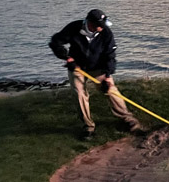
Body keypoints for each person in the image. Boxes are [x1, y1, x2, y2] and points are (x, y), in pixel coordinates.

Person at [49, 9, 142, 139]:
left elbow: (110, 55)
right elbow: (55, 41)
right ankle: (88, 127)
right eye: (100, 25)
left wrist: (108, 76)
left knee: (111, 91)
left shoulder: (106, 33)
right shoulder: (74, 27)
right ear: (90, 23)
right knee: (80, 94)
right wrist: (67, 58)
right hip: (77, 67)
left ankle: (128, 120)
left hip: (98, 67)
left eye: (103, 25)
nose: (102, 28)